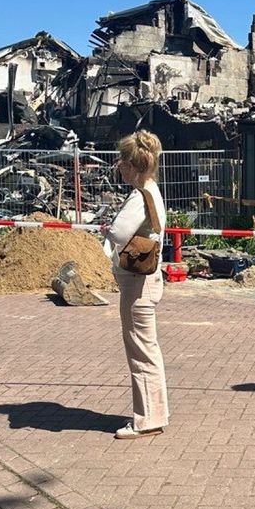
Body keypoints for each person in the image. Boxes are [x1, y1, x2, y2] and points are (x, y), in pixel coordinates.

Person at [101, 130, 169, 440]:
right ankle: (155, 414)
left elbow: (119, 232)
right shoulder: (153, 190)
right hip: (149, 281)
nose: (119, 168)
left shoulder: (139, 195)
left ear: (131, 165)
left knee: (141, 352)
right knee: (148, 349)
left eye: (121, 162)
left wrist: (108, 230)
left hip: (137, 284)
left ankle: (146, 421)